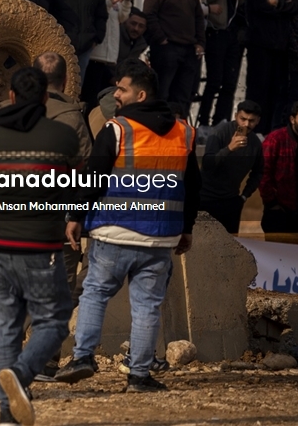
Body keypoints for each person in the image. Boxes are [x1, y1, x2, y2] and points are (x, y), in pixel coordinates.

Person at [57, 59, 199, 393]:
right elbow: (192, 186)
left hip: (114, 232)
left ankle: (82, 358)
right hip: (161, 238)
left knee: (95, 292)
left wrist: (76, 216)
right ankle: (138, 376)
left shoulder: (118, 129)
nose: (116, 94)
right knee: (148, 306)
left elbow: (94, 177)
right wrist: (187, 227)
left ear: (140, 93)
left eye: (122, 89)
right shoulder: (184, 133)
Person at [0, 67, 78, 426]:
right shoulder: (63, 138)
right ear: (45, 99)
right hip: (42, 249)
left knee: (4, 330)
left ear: (10, 95)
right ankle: (22, 375)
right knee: (54, 323)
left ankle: (8, 417)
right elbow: (81, 186)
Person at [143, 0, 205, 108]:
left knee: (184, 96)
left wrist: (200, 43)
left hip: (189, 51)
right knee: (162, 94)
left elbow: (198, 17)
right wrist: (161, 40)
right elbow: (149, 16)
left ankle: (180, 130)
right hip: (166, 49)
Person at [246, 0, 296, 133]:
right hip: (260, 43)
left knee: (278, 89)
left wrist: (275, 4)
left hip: (281, 45)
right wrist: (281, 5)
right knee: (258, 89)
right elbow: (258, 5)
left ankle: (272, 131)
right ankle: (254, 130)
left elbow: (294, 6)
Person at [197, 0, 244, 127]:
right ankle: (204, 122)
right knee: (214, 81)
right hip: (215, 31)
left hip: (233, 31)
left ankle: (221, 121)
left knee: (230, 82)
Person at [199, 101, 263, 234]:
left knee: (230, 247)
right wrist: (229, 148)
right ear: (236, 116)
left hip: (231, 201)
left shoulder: (255, 143)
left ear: (258, 121)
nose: (246, 124)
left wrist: (244, 196)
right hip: (205, 199)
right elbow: (207, 163)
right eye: (243, 119)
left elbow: (258, 172)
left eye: (251, 121)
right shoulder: (219, 132)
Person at [259, 101, 298, 245]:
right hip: (278, 212)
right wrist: (272, 202)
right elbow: (262, 173)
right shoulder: (275, 139)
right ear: (292, 119)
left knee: (295, 259)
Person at [85, 0, 133, 106]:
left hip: (108, 57)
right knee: (88, 97)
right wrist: (113, 0)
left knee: (101, 100)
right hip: (93, 54)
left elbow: (121, 18)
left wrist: (125, 1)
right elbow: (92, 12)